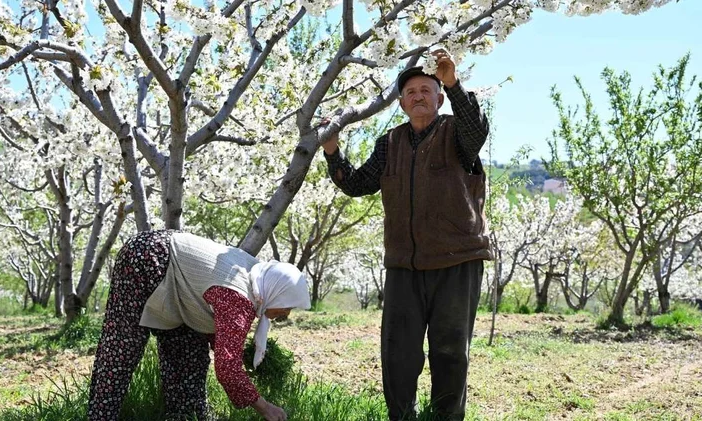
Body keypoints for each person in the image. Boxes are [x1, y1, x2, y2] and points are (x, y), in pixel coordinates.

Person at [320, 48, 492, 420]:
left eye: (426, 90)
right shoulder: (390, 142)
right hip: (403, 264)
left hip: (456, 260)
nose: (418, 96)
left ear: (439, 98)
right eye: (411, 91)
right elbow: (358, 183)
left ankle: (446, 417)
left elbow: (477, 130)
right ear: (401, 102)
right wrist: (333, 153)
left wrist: (454, 82)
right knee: (398, 352)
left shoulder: (456, 133)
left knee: (449, 350)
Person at [87, 229, 310, 421]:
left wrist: (239, 353)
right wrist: (265, 407)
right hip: (148, 259)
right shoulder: (239, 298)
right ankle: (101, 415)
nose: (286, 312)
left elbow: (221, 333)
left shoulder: (260, 277)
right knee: (122, 349)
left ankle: (186, 415)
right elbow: (227, 369)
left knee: (189, 354)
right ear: (276, 293)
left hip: (184, 287)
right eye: (287, 304)